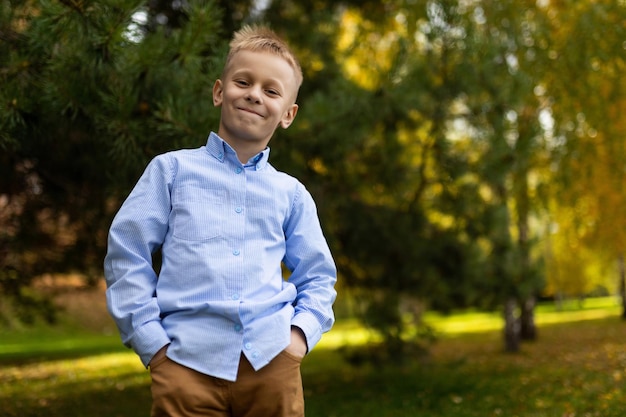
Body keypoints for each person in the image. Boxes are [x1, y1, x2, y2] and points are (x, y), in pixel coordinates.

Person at [104, 25, 337, 417]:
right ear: (219, 91)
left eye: (271, 90)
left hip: (272, 365)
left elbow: (317, 276)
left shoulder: (291, 193)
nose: (254, 94)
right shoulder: (171, 171)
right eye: (243, 81)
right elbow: (127, 253)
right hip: (183, 364)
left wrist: (299, 338)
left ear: (288, 114)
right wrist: (152, 344)